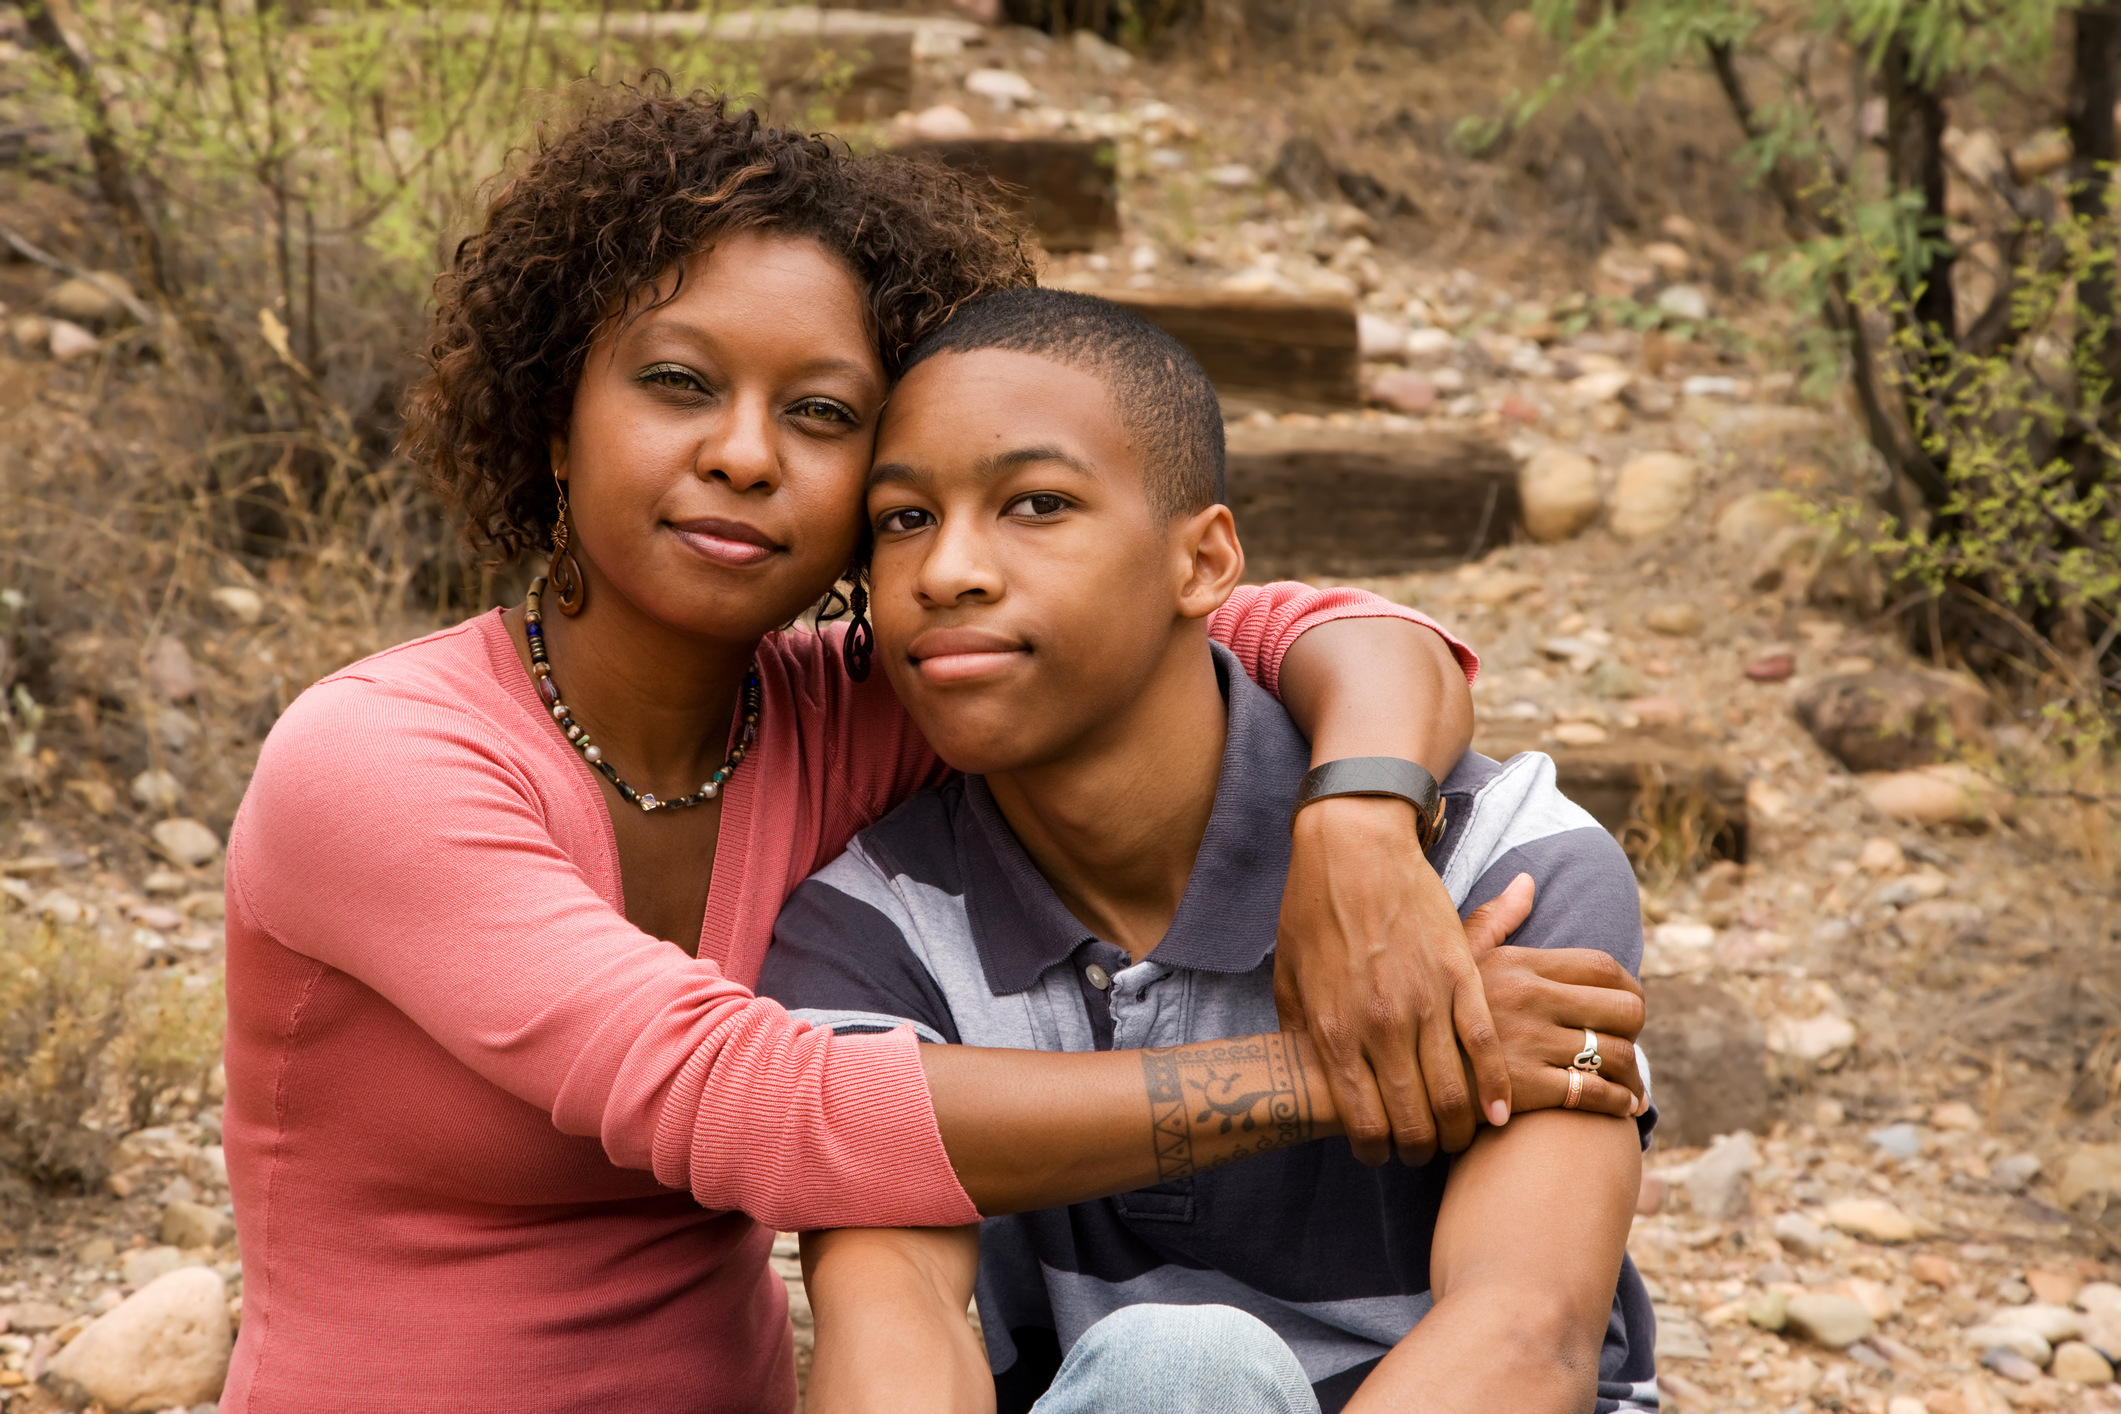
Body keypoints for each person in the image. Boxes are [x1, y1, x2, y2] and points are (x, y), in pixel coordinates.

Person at [218, 93, 1539, 1414]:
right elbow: (758, 1108)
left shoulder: (851, 709)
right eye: (677, 384)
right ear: (555, 422)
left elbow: (1299, 627)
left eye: (821, 413)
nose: (743, 455)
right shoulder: (380, 756)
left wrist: (1357, 822)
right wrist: (1320, 1068)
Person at [759, 288, 1659, 1414]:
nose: (947, 572)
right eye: (903, 519)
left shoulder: (1499, 863)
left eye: (1036, 503)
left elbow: (1530, 1331)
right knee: (1174, 1371)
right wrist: (1335, 1073)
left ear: (1203, 561)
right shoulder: (876, 924)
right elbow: (892, 1324)